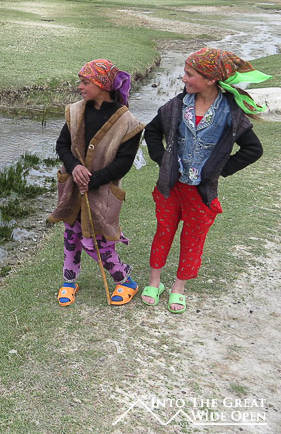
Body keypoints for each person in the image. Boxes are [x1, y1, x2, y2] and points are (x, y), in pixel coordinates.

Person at [142, 48, 268, 313]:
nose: (184, 79)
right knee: (163, 232)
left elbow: (253, 150)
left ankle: (178, 288)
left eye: (190, 75)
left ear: (210, 79)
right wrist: (162, 159)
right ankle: (154, 282)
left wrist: (218, 169)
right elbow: (152, 131)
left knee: (193, 239)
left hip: (201, 192)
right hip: (170, 187)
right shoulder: (176, 105)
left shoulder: (230, 112)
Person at [49, 59, 144, 306]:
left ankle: (125, 280)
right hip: (73, 188)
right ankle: (69, 281)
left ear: (102, 85)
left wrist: (92, 181)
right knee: (71, 235)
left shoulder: (127, 122)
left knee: (97, 241)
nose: (79, 86)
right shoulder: (75, 112)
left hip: (102, 193)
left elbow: (123, 163)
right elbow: (62, 145)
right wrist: (75, 168)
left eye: (85, 82)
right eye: (80, 81)